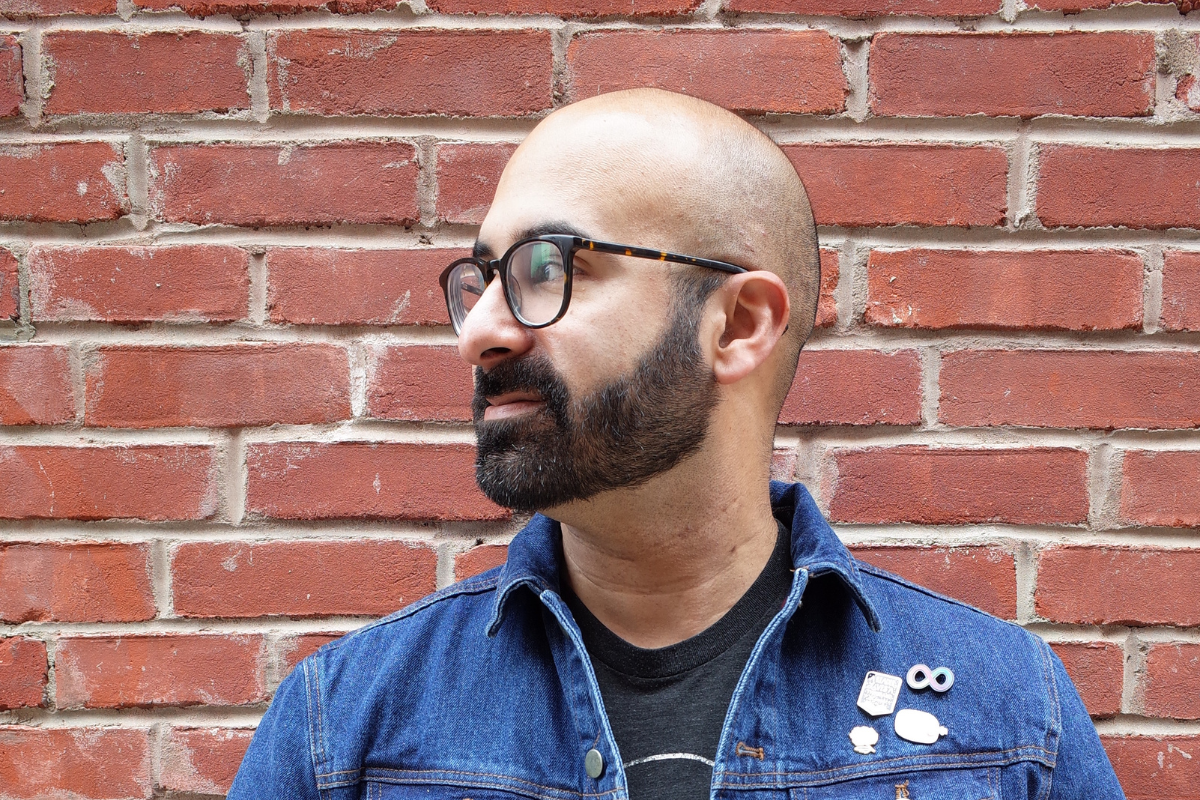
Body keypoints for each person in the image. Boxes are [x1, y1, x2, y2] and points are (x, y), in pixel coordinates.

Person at [228, 88, 1124, 799]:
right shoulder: (347, 728)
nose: (481, 333)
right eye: (485, 278)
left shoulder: (1007, 721)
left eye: (548, 267)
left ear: (738, 325)